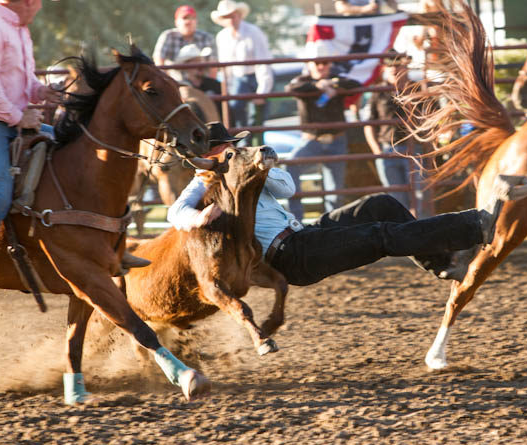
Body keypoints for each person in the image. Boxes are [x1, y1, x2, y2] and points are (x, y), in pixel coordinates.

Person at [167, 130, 505, 287]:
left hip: (303, 234)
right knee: (380, 235)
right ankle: (475, 225)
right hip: (290, 255)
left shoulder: (246, 172)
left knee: (379, 205)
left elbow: (288, 188)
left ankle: (442, 265)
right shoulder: (204, 183)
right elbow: (175, 211)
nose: (236, 150)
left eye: (234, 146)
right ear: (212, 155)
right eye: (228, 148)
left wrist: (261, 168)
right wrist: (198, 217)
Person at [0, 0, 61, 247]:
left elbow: (22, 79)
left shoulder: (17, 29)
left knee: (72, 150)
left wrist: (41, 91)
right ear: (28, 3)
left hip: (11, 121)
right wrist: (19, 117)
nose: (40, 7)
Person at [285, 43, 361, 221]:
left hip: (336, 140)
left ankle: (331, 225)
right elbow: (292, 88)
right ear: (309, 64)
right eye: (317, 63)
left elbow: (355, 84)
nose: (321, 66)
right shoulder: (302, 81)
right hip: (313, 140)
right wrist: (319, 86)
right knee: (291, 165)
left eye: (325, 62)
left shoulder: (337, 79)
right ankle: (296, 220)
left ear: (330, 64)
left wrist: (332, 84)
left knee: (335, 191)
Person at [363, 54, 424, 213]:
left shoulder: (418, 88)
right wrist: (377, 151)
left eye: (397, 65)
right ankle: (405, 226)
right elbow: (368, 124)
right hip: (388, 149)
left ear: (405, 67)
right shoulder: (378, 91)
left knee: (420, 196)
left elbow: (431, 116)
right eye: (390, 65)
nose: (394, 69)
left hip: (414, 148)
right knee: (396, 198)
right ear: (385, 68)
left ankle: (421, 225)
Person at [212, 0, 273, 146]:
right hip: (238, 78)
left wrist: (262, 90)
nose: (230, 20)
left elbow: (263, 62)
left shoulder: (253, 32)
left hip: (257, 76)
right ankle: (244, 141)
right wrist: (227, 88)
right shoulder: (222, 37)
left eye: (232, 16)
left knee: (257, 114)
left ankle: (253, 143)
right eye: (226, 17)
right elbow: (225, 66)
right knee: (236, 107)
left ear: (239, 15)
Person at [153, 5, 217, 77]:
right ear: (176, 22)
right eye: (184, 18)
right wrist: (166, 80)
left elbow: (213, 64)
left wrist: (210, 82)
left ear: (196, 21)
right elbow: (158, 60)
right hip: (175, 80)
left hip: (202, 80)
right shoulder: (168, 36)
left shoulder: (207, 38)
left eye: (192, 18)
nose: (188, 21)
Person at [172, 44, 223, 121]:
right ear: (186, 65)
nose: (200, 65)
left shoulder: (215, 85)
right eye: (195, 62)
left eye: (201, 61)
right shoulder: (180, 88)